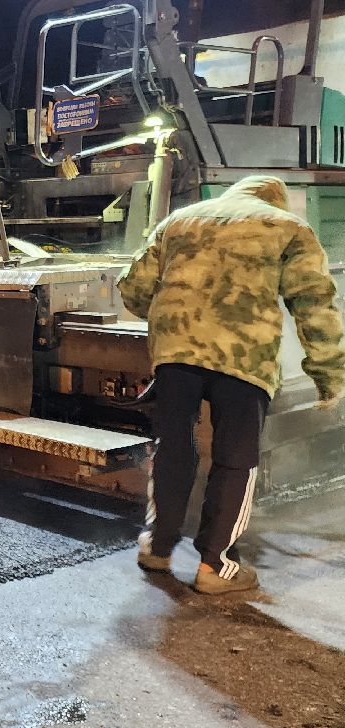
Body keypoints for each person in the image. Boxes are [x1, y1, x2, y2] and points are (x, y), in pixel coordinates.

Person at [118, 176, 345, 594]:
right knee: (235, 458)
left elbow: (133, 290)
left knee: (173, 446)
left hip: (175, 353)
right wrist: (329, 376)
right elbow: (314, 305)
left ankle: (157, 546)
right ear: (275, 200)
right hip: (244, 358)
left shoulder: (179, 221)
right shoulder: (288, 227)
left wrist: (182, 313)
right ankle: (215, 567)